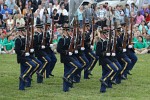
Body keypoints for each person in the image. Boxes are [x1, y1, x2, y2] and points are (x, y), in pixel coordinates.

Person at [57, 24, 82, 92]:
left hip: (71, 57)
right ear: (65, 31)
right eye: (69, 30)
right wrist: (66, 52)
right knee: (77, 66)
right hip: (65, 57)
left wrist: (76, 50)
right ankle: (67, 77)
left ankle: (66, 88)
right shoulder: (62, 39)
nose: (70, 32)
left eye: (70, 30)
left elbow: (73, 47)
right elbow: (58, 49)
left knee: (68, 70)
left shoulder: (70, 38)